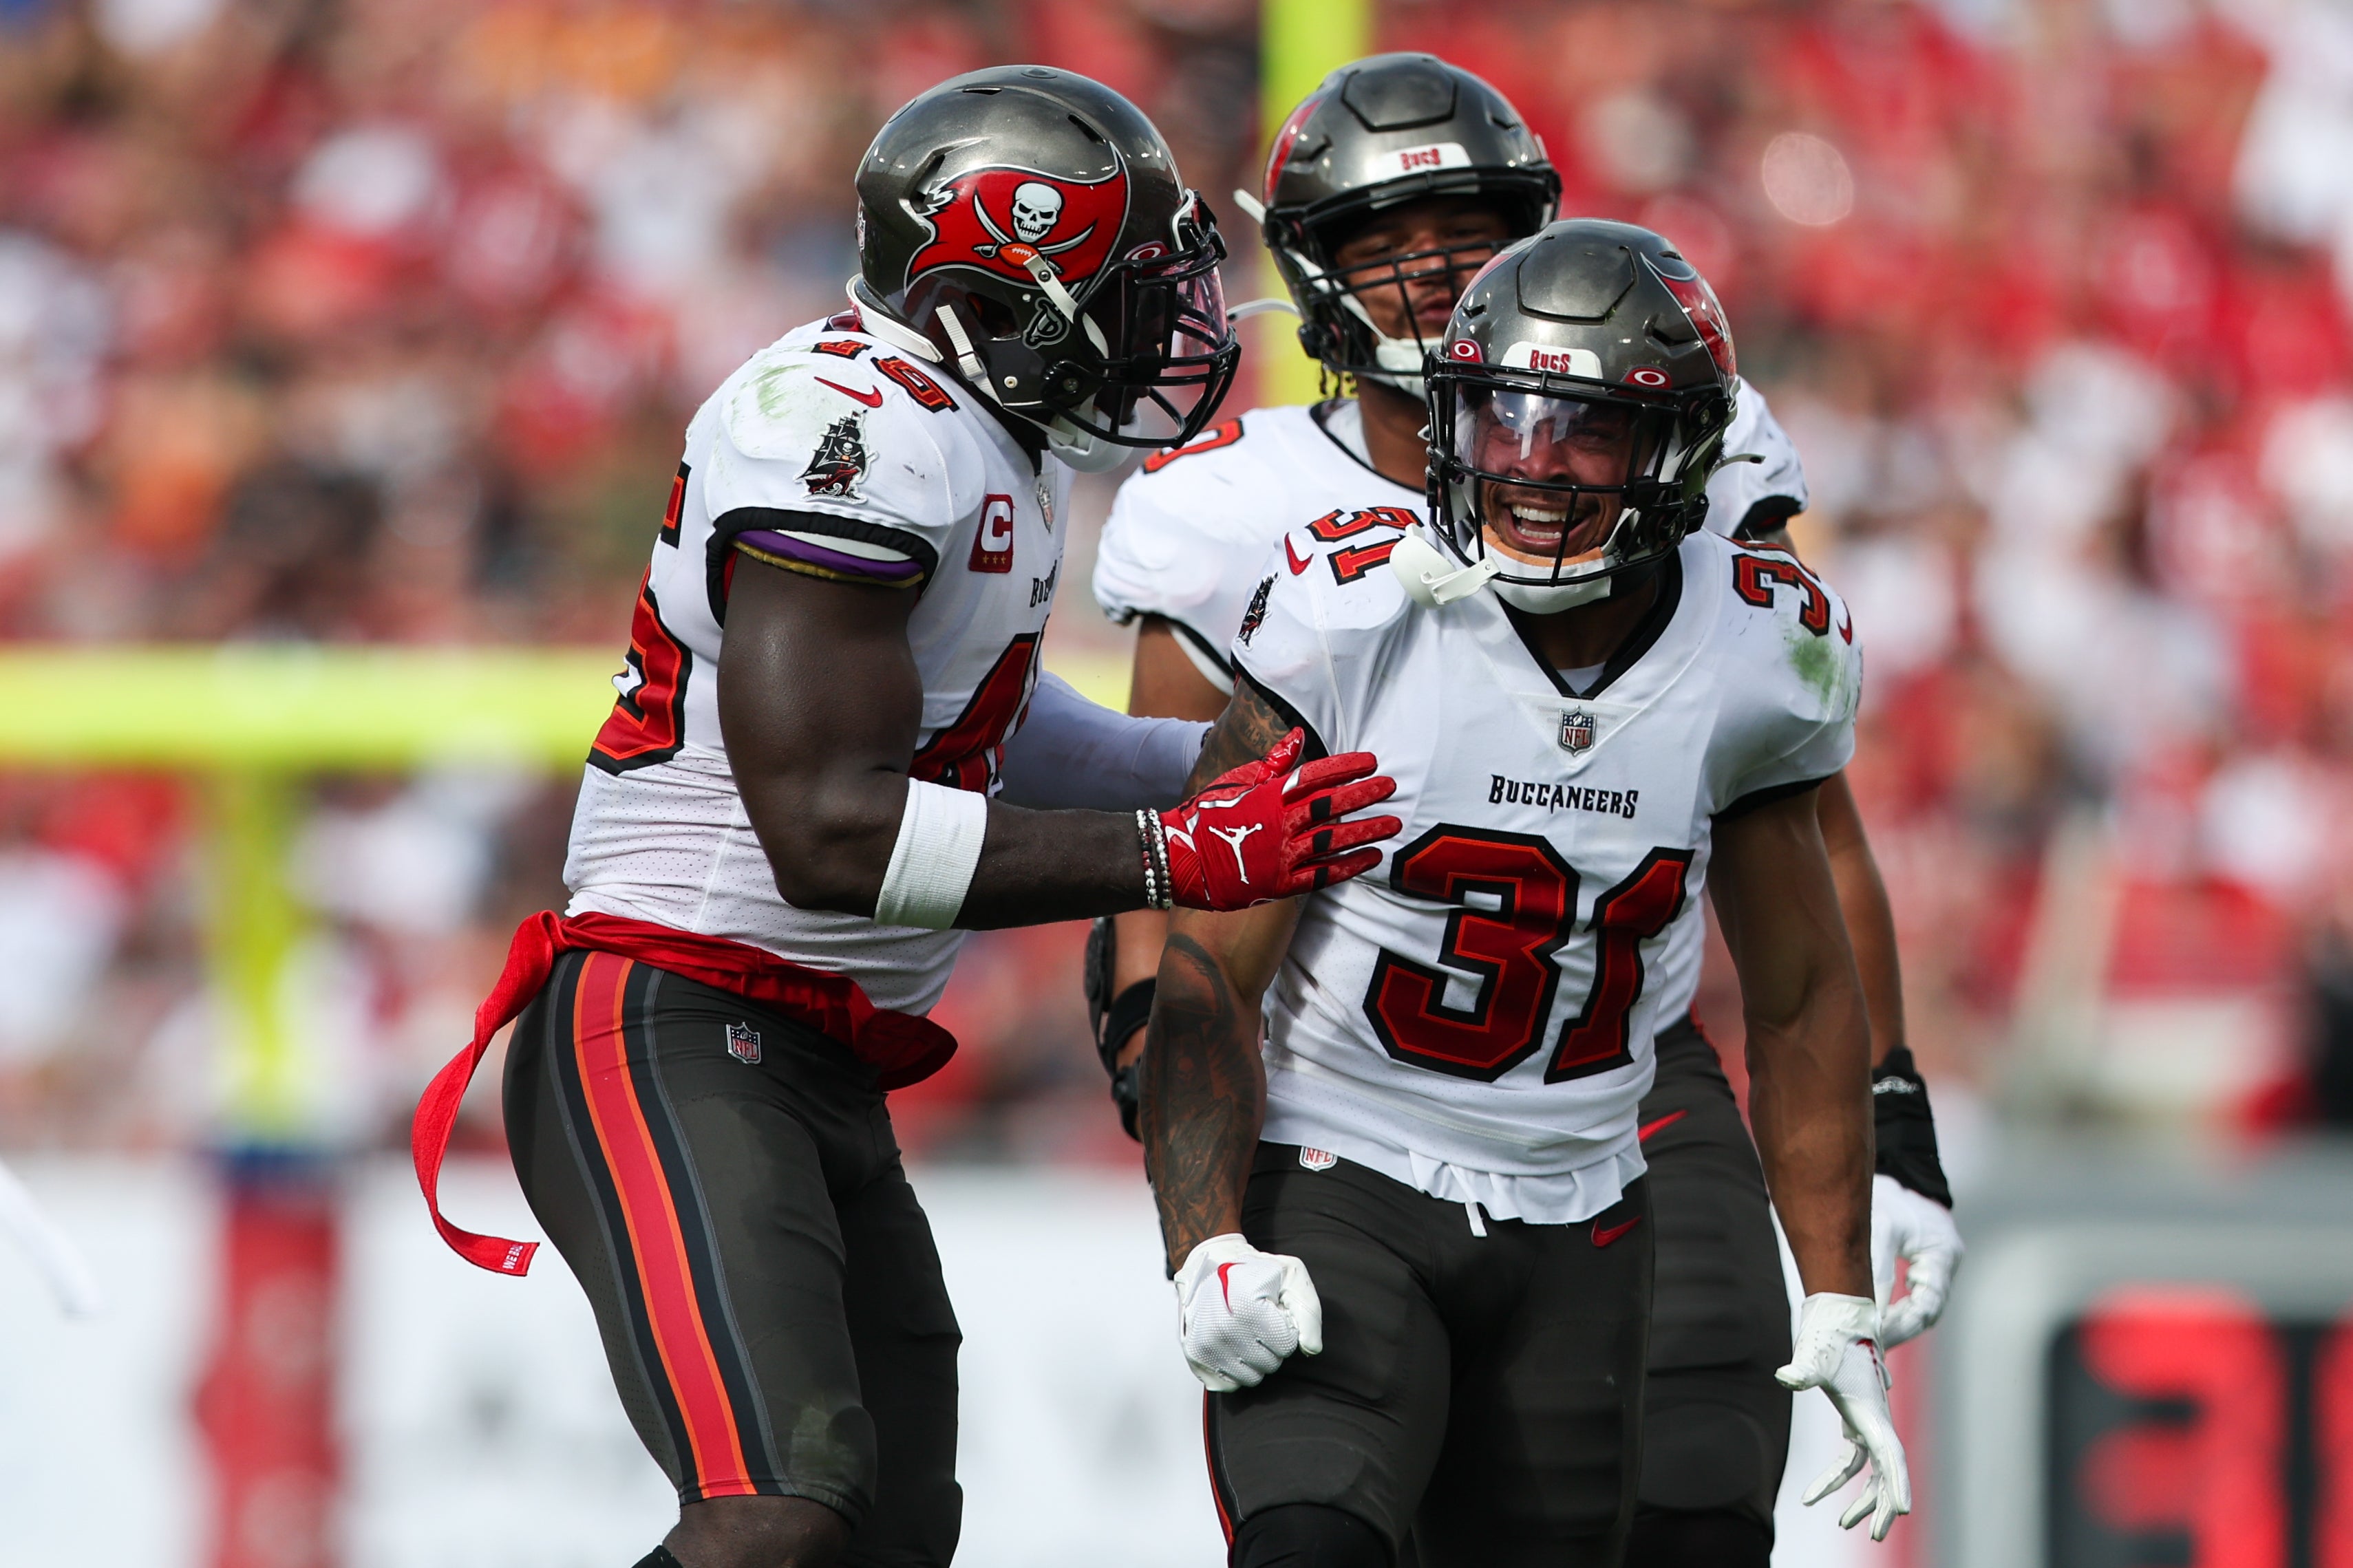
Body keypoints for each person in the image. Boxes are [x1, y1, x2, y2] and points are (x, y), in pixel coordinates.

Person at [407, 67, 1406, 1568]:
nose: (1165, 326)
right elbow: (831, 832)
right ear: (989, 293)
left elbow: (972, 716)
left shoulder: (975, 428)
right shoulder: (845, 429)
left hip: (801, 1051)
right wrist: (1175, 850)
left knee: (884, 1540)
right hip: (672, 1015)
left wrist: (1189, 763)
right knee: (775, 1520)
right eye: (1124, 291)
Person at [1087, 54, 1961, 1565]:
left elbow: (1793, 823)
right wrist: (1188, 1148)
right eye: (1384, 243)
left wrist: (1889, 1121)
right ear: (1311, 272)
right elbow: (1175, 840)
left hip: (1618, 1043)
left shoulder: (1705, 477)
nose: (1432, 276)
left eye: (1468, 230)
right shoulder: (1242, 518)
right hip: (1342, 1054)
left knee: (1693, 1484)